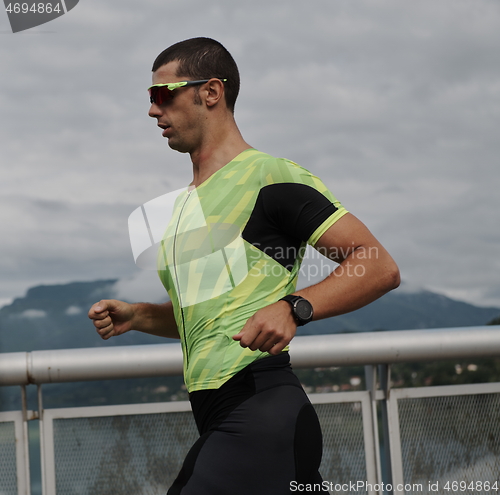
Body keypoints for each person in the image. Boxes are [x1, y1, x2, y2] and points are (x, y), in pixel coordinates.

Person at [88, 37, 400, 494]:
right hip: (223, 416)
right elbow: (214, 315)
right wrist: (138, 315)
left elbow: (377, 266)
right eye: (150, 98)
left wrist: (295, 306)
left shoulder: (269, 177)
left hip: (260, 412)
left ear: (210, 92)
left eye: (163, 95)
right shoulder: (184, 208)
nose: (153, 111)